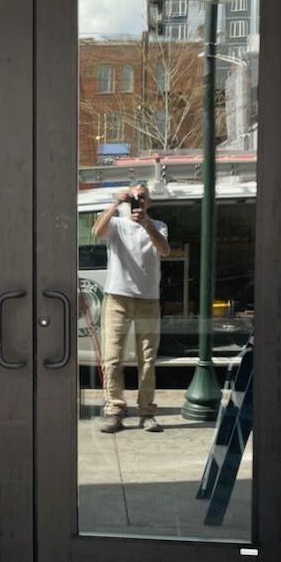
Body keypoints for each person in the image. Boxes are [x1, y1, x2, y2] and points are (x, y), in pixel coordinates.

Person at [92, 185, 170, 432]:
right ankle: (114, 409)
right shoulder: (117, 223)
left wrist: (146, 224)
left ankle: (146, 411)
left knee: (147, 359)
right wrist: (115, 202)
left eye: (142, 197)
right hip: (117, 297)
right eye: (134, 197)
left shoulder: (158, 225)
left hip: (148, 299)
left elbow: (165, 250)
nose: (138, 201)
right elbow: (96, 231)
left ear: (149, 202)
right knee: (112, 358)